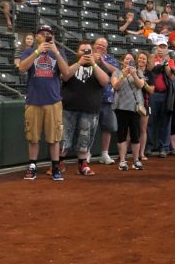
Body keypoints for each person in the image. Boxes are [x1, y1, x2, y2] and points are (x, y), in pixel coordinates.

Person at [17, 25, 70, 181]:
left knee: (54, 138)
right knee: (33, 137)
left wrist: (56, 52)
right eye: (42, 34)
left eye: (48, 34)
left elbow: (66, 74)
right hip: (34, 100)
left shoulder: (59, 52)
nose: (45, 36)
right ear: (37, 36)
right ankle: (32, 166)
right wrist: (37, 51)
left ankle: (55, 167)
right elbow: (22, 68)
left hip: (53, 101)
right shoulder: (29, 51)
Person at [58, 40, 110, 176]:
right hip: (68, 108)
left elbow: (105, 81)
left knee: (85, 139)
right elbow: (64, 76)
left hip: (90, 109)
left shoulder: (98, 65)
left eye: (88, 51)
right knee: (64, 138)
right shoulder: (71, 63)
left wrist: (94, 64)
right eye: (82, 50)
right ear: (77, 52)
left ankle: (82, 165)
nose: (85, 53)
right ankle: (59, 163)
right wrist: (79, 63)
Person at [111, 53, 148, 170]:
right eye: (127, 59)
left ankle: (136, 160)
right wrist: (124, 75)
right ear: (123, 60)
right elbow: (115, 86)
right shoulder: (117, 72)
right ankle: (122, 161)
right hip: (120, 108)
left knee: (135, 135)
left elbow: (141, 85)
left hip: (134, 109)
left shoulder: (138, 72)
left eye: (131, 59)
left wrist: (134, 74)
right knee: (121, 135)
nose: (128, 61)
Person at [93, 37, 120, 164]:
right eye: (99, 44)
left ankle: (104, 154)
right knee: (88, 127)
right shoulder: (88, 57)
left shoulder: (111, 60)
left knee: (107, 127)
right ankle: (86, 153)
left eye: (103, 46)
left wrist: (102, 62)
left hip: (107, 98)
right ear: (94, 45)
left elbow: (117, 72)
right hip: (91, 98)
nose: (101, 47)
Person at [147, 39, 173, 157]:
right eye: (160, 47)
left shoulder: (169, 61)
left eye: (164, 47)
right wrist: (154, 58)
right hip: (152, 94)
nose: (161, 49)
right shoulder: (152, 58)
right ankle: (149, 146)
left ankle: (164, 147)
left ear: (167, 49)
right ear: (156, 48)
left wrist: (165, 62)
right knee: (150, 121)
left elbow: (170, 75)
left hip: (165, 94)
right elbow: (150, 69)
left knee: (165, 122)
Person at [136, 51, 155, 161]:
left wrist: (143, 82)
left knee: (143, 129)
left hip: (145, 103)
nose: (141, 60)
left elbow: (151, 90)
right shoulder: (132, 70)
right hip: (131, 103)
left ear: (147, 61)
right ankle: (125, 153)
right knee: (130, 129)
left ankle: (141, 153)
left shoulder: (149, 74)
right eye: (140, 58)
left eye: (144, 58)